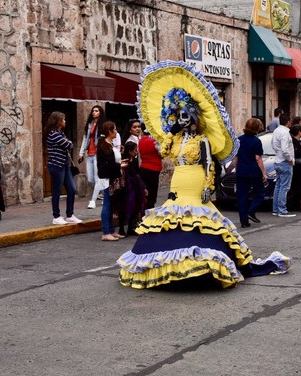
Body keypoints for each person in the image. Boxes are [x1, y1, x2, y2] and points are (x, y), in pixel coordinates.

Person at [118, 60, 289, 289]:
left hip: (196, 182)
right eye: (180, 116)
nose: (183, 119)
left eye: (186, 116)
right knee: (171, 222)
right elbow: (166, 152)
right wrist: (172, 132)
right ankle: (168, 267)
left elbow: (209, 165)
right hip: (177, 183)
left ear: (195, 118)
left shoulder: (203, 140)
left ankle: (202, 267)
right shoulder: (176, 138)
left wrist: (209, 187)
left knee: (198, 223)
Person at [45, 111, 82, 226]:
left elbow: (69, 144)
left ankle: (70, 215)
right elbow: (69, 145)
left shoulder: (60, 133)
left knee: (71, 189)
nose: (65, 121)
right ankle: (56, 216)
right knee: (57, 192)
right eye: (63, 120)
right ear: (58, 122)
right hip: (56, 166)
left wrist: (68, 142)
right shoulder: (53, 134)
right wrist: (68, 142)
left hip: (65, 166)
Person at [234, 118, 267, 228]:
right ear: (257, 128)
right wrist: (264, 173)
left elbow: (236, 158)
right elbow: (258, 158)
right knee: (260, 193)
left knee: (242, 196)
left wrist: (236, 168)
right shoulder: (256, 141)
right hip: (253, 171)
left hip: (241, 171)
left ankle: (244, 222)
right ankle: (251, 210)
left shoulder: (239, 140)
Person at [96, 121, 124, 241]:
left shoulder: (110, 144)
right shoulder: (103, 146)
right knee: (107, 204)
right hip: (107, 179)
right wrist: (120, 166)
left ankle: (111, 230)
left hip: (113, 178)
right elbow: (106, 164)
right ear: (109, 131)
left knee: (111, 204)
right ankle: (105, 232)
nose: (116, 132)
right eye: (115, 129)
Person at [78, 105, 107, 210]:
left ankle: (93, 201)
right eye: (93, 111)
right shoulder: (90, 124)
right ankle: (106, 194)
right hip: (89, 154)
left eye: (96, 111)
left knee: (97, 178)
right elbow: (85, 139)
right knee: (91, 179)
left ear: (100, 113)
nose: (94, 112)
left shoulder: (103, 125)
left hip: (98, 154)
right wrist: (81, 153)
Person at [116, 140, 146, 236]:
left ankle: (131, 227)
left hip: (135, 187)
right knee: (125, 207)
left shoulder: (134, 160)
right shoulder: (125, 161)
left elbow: (137, 173)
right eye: (134, 150)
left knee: (135, 206)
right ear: (129, 151)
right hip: (126, 188)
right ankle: (121, 228)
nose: (136, 152)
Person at [271, 111, 295, 217]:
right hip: (284, 161)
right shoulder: (285, 133)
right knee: (284, 187)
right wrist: (289, 159)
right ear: (288, 122)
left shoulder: (276, 131)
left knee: (278, 186)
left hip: (277, 160)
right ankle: (282, 210)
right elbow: (285, 149)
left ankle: (275, 209)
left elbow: (273, 144)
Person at [138, 124, 162, 209]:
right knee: (152, 194)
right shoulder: (154, 141)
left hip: (144, 168)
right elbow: (161, 154)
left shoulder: (141, 141)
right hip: (153, 169)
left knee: (145, 193)